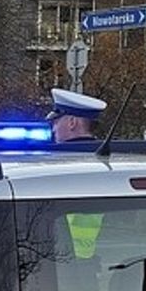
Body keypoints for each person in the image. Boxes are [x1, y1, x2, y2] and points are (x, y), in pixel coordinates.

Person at [48, 88, 109, 259]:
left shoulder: (56, 169)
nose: (53, 130)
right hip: (101, 263)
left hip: (60, 263)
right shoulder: (107, 164)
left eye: (56, 122)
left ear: (72, 122)